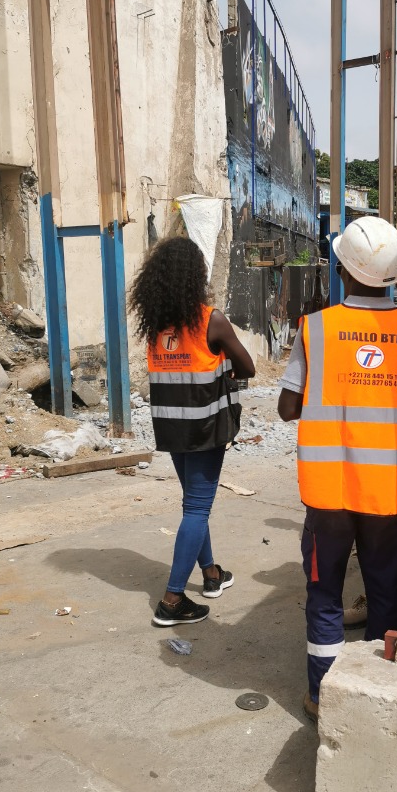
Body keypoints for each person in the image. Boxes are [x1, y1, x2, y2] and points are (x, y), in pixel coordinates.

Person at [278, 216, 397, 721]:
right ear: (396, 274)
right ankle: (379, 692)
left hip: (329, 490)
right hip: (392, 491)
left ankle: (322, 695)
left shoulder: (316, 328)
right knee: (384, 587)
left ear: (343, 268)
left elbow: (289, 408)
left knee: (325, 591)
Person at [129, 237, 255, 627]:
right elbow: (247, 367)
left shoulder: (155, 324)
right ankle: (172, 599)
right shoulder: (210, 320)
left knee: (192, 506)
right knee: (197, 509)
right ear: (195, 276)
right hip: (204, 428)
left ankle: (212, 575)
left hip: (171, 427)